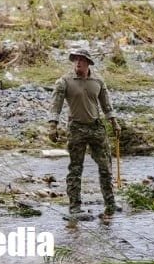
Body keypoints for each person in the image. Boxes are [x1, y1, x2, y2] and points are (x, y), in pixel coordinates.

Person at [48, 49, 122, 218]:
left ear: (88, 62)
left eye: (81, 60)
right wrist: (53, 125)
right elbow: (55, 105)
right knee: (75, 169)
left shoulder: (98, 80)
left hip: (96, 128)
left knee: (105, 167)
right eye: (75, 60)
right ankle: (74, 207)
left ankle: (110, 203)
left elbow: (106, 104)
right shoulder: (64, 81)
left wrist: (114, 122)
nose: (78, 63)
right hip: (76, 128)